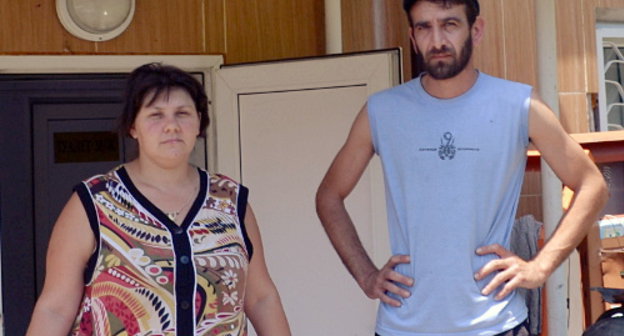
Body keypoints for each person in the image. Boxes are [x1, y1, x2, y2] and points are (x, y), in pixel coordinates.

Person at [315, 0, 609, 335]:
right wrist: (366, 274)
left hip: (496, 323)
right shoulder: (382, 111)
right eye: (424, 27)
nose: (437, 39)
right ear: (412, 37)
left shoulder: (519, 104)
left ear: (476, 29)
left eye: (449, 24)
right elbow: (329, 196)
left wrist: (540, 267)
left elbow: (592, 186)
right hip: (403, 326)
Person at [26, 63, 291, 336]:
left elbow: (261, 298)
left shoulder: (230, 202)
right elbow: (55, 309)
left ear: (199, 122)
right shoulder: (94, 203)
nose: (171, 126)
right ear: (133, 127)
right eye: (156, 115)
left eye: (182, 113)